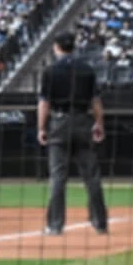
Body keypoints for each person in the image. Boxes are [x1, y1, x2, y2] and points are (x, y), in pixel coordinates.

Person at [37, 32, 108, 235]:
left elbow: (44, 103)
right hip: (83, 121)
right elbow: (96, 101)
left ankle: (55, 225)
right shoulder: (86, 69)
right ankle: (100, 223)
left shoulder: (50, 70)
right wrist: (99, 123)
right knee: (92, 176)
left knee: (58, 177)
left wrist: (41, 128)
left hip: (59, 122)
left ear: (57, 47)